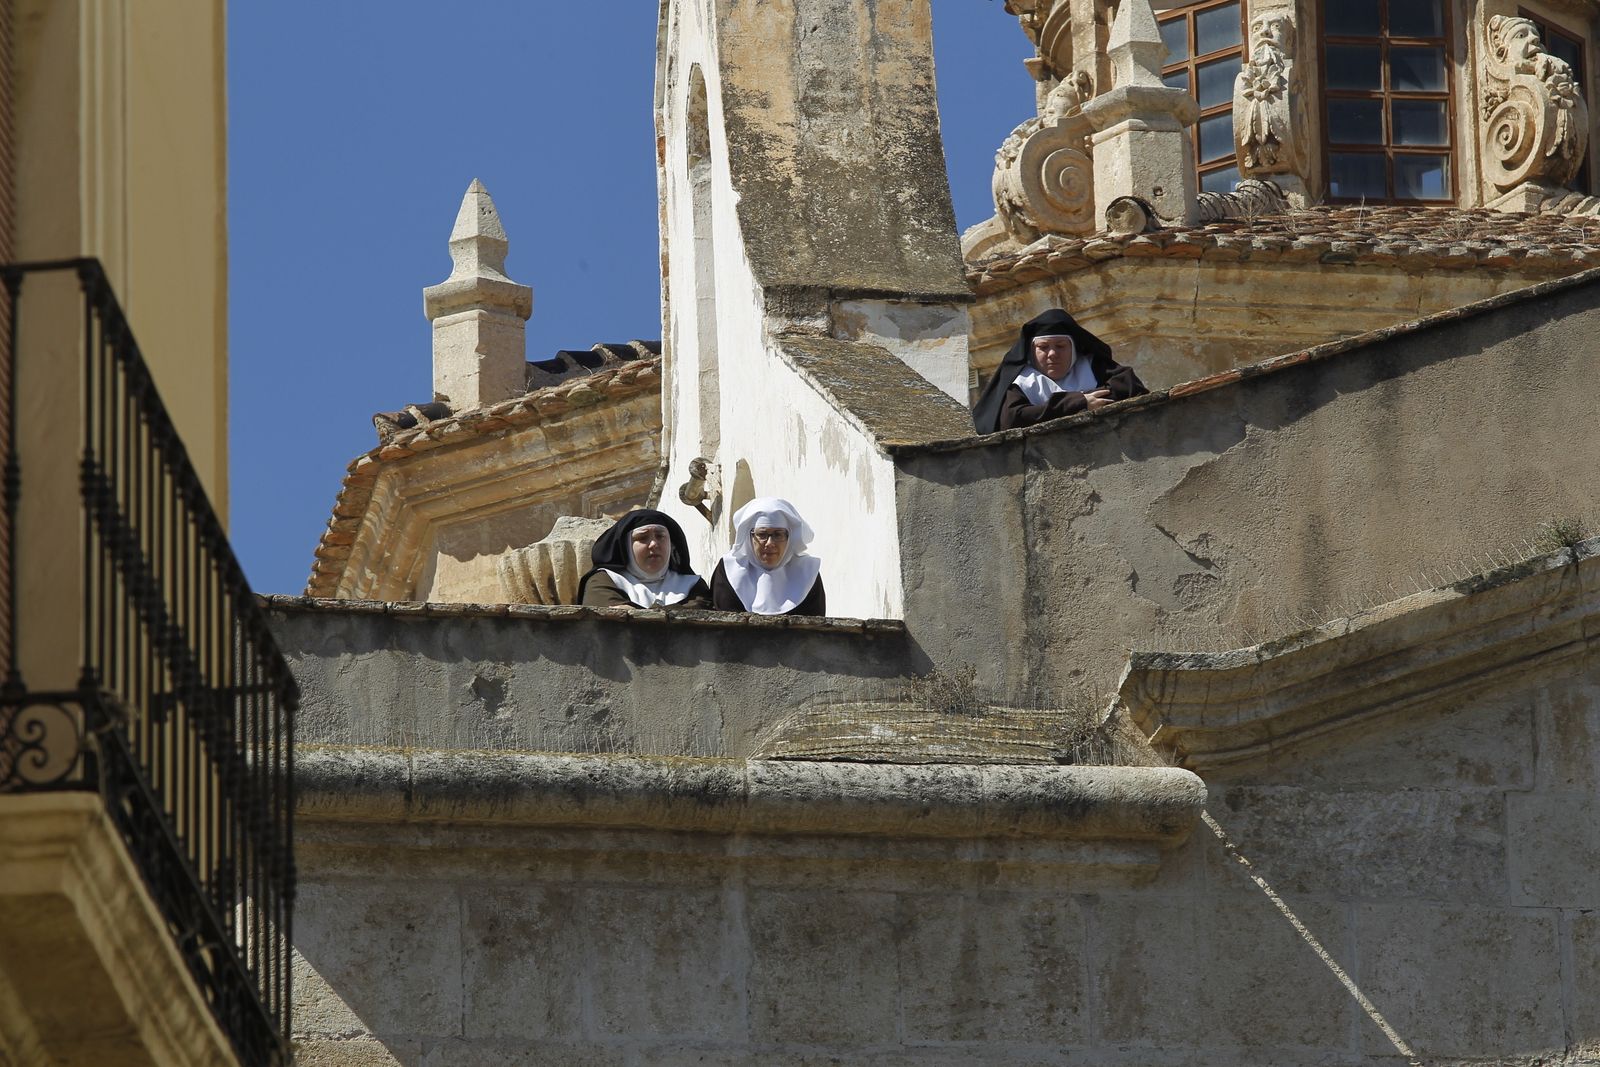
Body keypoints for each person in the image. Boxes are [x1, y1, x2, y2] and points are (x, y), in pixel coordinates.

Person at [971, 307, 1149, 435]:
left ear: (1073, 349)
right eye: (1043, 347)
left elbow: (1129, 386)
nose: (1052, 354)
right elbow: (1013, 419)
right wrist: (1078, 402)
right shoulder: (1022, 381)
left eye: (1061, 346)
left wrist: (1050, 409)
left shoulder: (1091, 366)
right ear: (1032, 351)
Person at [710, 497, 825, 616]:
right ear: (750, 537)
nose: (770, 543)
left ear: (789, 538)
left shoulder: (807, 573)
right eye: (762, 534)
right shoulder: (729, 571)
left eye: (778, 534)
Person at [576, 509, 712, 608]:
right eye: (642, 537)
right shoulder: (603, 581)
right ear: (626, 546)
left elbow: (701, 612)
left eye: (660, 536)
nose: (654, 544)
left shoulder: (693, 584)